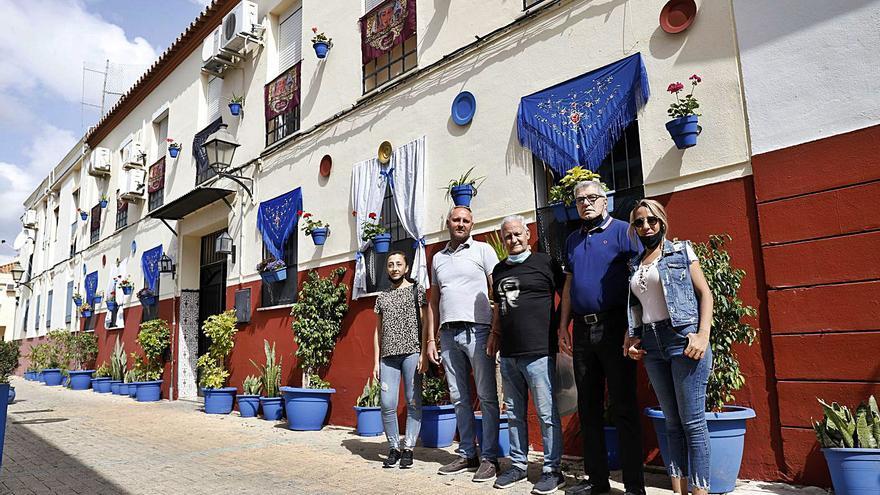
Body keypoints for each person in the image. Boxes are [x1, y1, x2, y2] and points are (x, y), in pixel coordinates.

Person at [558, 181, 646, 495]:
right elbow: (569, 287)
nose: (586, 203)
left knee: (623, 406)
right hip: (581, 331)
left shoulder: (625, 231)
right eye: (580, 199)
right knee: (588, 408)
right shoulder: (571, 239)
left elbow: (639, 281)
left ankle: (635, 487)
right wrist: (562, 326)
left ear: (605, 200)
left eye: (592, 197)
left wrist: (632, 328)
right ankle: (598, 483)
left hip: (616, 328)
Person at [624, 199, 714, 495]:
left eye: (651, 220)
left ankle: (700, 492)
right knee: (672, 423)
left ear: (662, 222)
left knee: (693, 423)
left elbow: (706, 295)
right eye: (639, 222)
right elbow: (639, 308)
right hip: (652, 344)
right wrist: (631, 337)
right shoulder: (635, 264)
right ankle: (679, 492)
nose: (646, 226)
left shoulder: (681, 250)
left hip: (683, 339)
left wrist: (702, 336)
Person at [488, 215, 566, 495]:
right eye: (508, 236)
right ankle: (519, 465)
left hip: (540, 352)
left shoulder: (546, 263)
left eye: (518, 234)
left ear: (527, 232)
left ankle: (552, 470)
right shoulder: (498, 270)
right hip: (509, 354)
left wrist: (560, 327)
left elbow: (565, 294)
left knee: (546, 414)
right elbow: (498, 307)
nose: (513, 240)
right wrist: (494, 336)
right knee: (514, 414)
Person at [423, 206, 501, 482]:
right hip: (447, 333)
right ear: (448, 223)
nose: (461, 224)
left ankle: (490, 457)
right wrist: (431, 339)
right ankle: (468, 452)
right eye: (456, 219)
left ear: (472, 224)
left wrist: (495, 329)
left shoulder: (483, 251)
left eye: (466, 220)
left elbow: (497, 292)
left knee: (487, 396)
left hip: (478, 331)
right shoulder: (438, 259)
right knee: (458, 397)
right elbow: (433, 301)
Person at [372, 251, 427, 469]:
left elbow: (425, 323)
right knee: (387, 404)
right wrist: (375, 361)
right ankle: (394, 447)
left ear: (406, 268)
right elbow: (377, 331)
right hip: (387, 358)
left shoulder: (417, 291)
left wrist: (423, 352)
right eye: (390, 265)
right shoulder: (382, 297)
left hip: (412, 353)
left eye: (399, 264)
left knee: (413, 402)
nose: (395, 268)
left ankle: (409, 448)